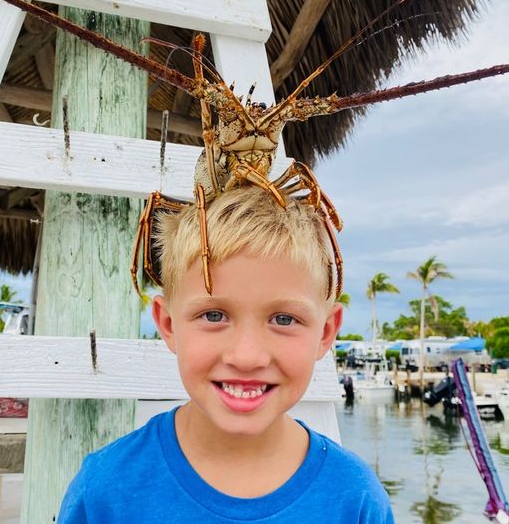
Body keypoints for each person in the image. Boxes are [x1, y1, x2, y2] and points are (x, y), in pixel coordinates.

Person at [58, 186, 394, 523]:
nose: (247, 357)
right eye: (214, 316)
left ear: (325, 332)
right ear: (168, 324)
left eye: (284, 319)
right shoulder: (105, 492)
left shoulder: (356, 499)